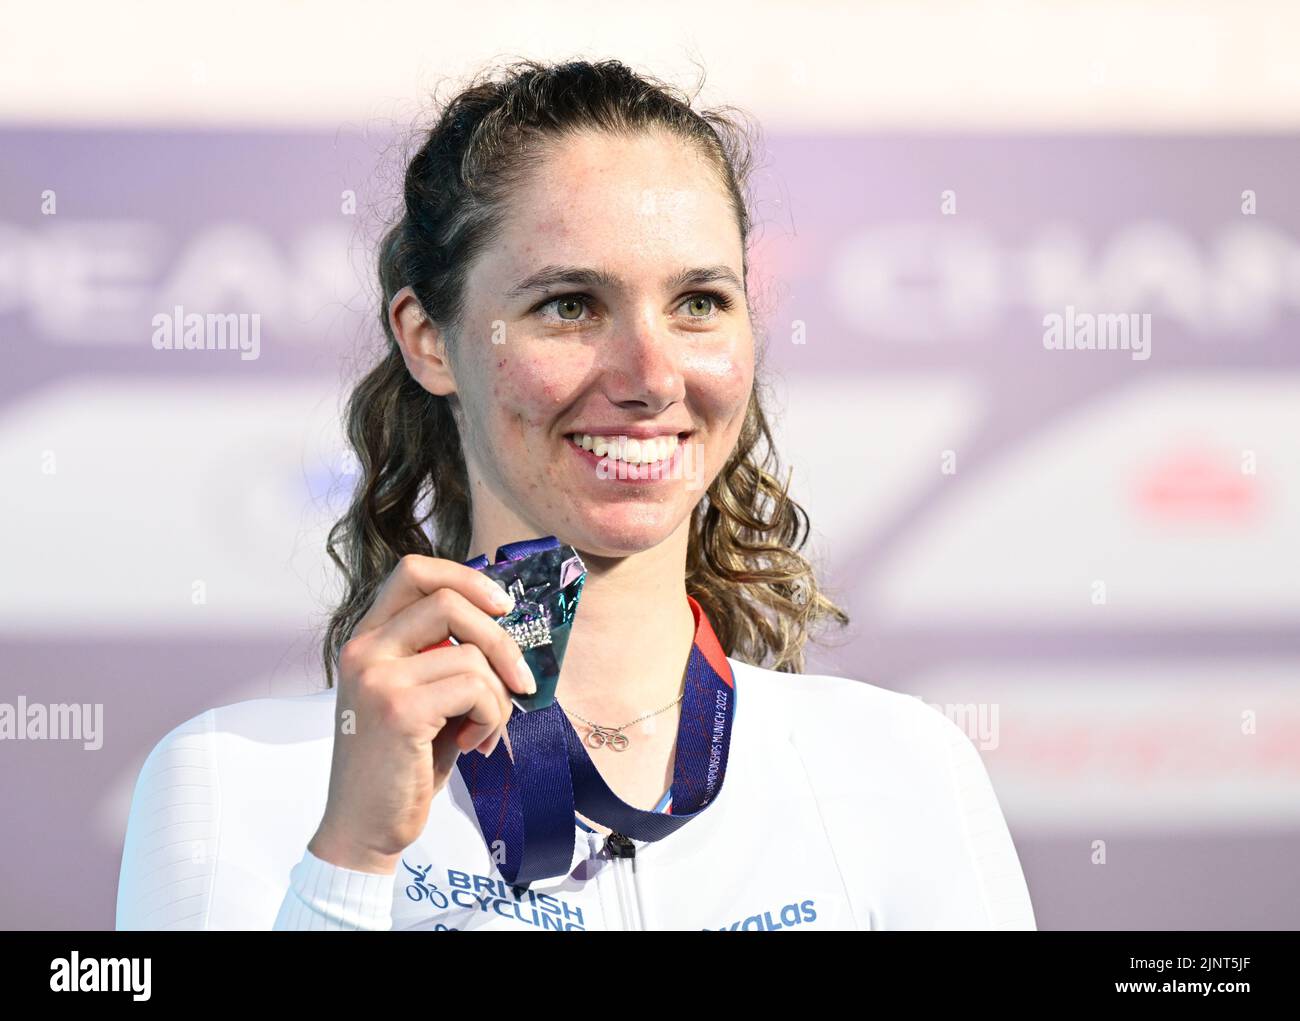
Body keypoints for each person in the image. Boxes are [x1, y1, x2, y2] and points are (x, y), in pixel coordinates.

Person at [115, 57, 1036, 931]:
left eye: (699, 301)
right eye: (569, 304)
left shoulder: (899, 767)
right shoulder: (239, 781)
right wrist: (351, 861)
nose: (651, 375)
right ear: (429, 340)